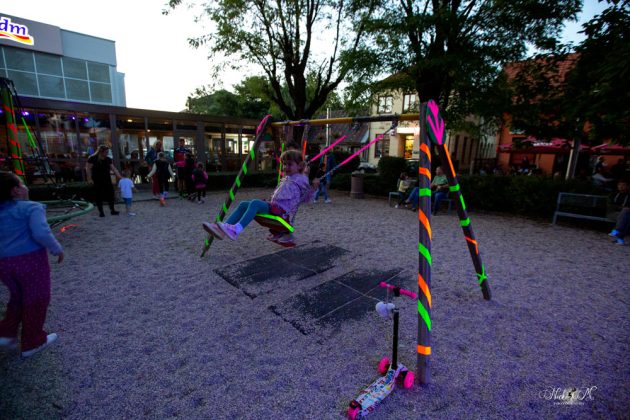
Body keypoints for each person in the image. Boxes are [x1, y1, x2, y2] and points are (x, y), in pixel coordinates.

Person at [0, 172, 63, 358]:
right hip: (30, 260)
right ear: (15, 190)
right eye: (21, 184)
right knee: (37, 298)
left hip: (3, 263)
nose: (25, 186)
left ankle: (6, 332)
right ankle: (33, 341)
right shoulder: (31, 208)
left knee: (17, 296)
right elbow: (41, 232)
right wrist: (56, 248)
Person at [202, 150, 319, 247]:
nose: (285, 167)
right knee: (243, 204)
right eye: (284, 164)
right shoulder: (289, 177)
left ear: (300, 166)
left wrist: (313, 187)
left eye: (289, 164)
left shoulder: (301, 179)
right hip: (274, 208)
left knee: (255, 203)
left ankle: (236, 229)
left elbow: (306, 199)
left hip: (281, 212)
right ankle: (221, 230)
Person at [86, 145, 122, 217]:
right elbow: (88, 169)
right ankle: (101, 212)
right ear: (101, 152)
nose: (107, 153)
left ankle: (112, 210)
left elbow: (114, 169)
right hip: (96, 180)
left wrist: (120, 177)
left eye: (107, 152)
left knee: (110, 194)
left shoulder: (108, 159)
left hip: (107, 179)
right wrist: (89, 179)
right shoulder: (92, 158)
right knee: (98, 196)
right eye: (106, 152)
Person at [608, 178, 630, 246]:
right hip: (613, 213)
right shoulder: (613, 194)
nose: (621, 186)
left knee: (625, 216)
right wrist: (623, 208)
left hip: (626, 214)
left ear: (628, 186)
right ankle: (619, 238)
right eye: (619, 185)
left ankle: (616, 231)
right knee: (625, 215)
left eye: (623, 185)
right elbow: (611, 206)